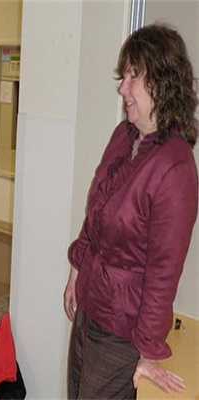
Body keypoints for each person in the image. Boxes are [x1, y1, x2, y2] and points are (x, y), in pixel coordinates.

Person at [64, 24, 198, 400]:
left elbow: (164, 272)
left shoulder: (175, 167)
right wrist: (76, 272)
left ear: (162, 82)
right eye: (123, 77)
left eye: (132, 77)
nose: (122, 88)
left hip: (120, 332)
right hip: (89, 307)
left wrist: (148, 351)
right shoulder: (124, 136)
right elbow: (95, 213)